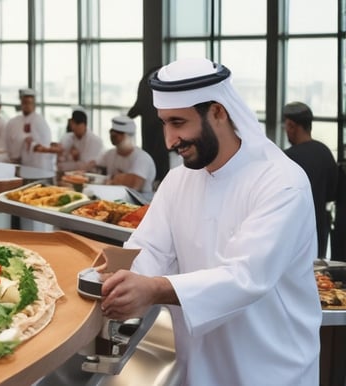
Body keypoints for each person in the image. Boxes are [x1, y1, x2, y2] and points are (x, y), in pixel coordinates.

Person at [100, 58, 320, 385]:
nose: (170, 140)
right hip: (200, 366)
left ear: (218, 112)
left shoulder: (281, 182)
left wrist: (153, 289)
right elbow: (147, 249)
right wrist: (116, 280)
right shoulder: (177, 182)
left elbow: (245, 277)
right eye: (164, 123)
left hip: (272, 369)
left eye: (178, 122)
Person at [282, 102, 338, 258]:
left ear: (292, 125)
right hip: (320, 232)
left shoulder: (286, 158)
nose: (286, 130)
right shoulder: (325, 152)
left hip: (294, 235)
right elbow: (332, 194)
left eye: (286, 126)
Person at [95, 116, 156, 198]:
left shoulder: (142, 158)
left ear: (129, 136)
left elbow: (134, 185)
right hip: (113, 199)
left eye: (118, 132)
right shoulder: (110, 153)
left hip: (140, 203)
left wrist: (112, 178)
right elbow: (94, 169)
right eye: (112, 131)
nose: (113, 134)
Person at [128, 66, 170, 184]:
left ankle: (155, 182)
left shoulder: (146, 81)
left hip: (149, 130)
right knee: (161, 155)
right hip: (160, 129)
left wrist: (127, 117)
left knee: (151, 155)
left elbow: (137, 106)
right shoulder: (159, 85)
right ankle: (160, 182)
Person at [2, 88, 61, 171]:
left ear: (34, 104)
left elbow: (45, 143)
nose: (26, 105)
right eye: (24, 103)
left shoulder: (39, 121)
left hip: (39, 164)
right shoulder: (16, 121)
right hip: (24, 164)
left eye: (29, 103)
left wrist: (31, 143)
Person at [57, 107, 104, 172]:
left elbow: (87, 166)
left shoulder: (95, 140)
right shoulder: (66, 138)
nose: (75, 128)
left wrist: (75, 161)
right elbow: (60, 164)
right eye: (73, 124)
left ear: (85, 125)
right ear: (71, 123)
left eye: (78, 125)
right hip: (67, 176)